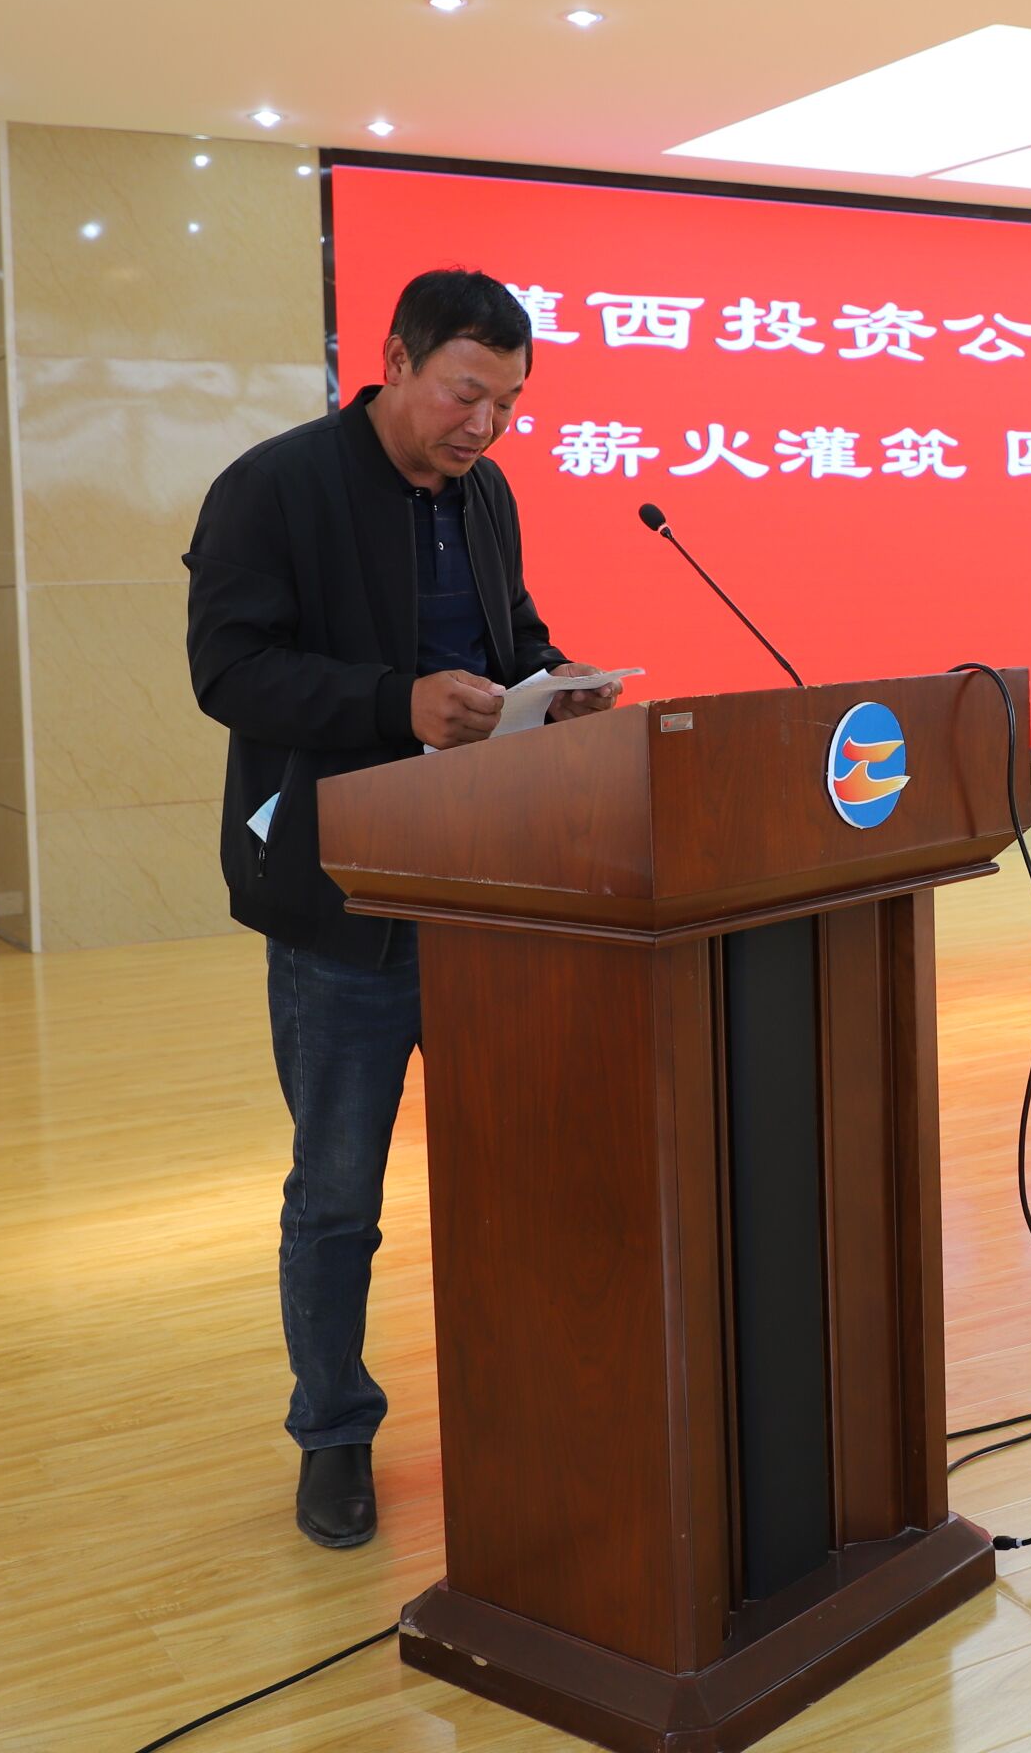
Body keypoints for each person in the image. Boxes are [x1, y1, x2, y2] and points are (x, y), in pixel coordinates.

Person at [184, 268, 621, 1549]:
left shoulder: (487, 496)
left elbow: (508, 637)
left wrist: (556, 682)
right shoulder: (274, 486)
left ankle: (523, 1401)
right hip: (343, 896)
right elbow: (229, 671)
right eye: (464, 394)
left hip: (486, 892)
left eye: (509, 403)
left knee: (512, 1177)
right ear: (394, 360)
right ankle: (333, 1432)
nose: (485, 425)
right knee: (337, 1193)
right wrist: (397, 704)